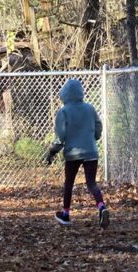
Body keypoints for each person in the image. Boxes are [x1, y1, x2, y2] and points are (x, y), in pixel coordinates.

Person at [47, 79, 110, 229]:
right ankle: (101, 206)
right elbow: (98, 126)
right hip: (91, 151)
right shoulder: (90, 108)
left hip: (73, 153)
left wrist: (52, 152)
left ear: (65, 94)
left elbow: (61, 137)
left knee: (69, 183)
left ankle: (66, 214)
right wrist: (94, 137)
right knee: (91, 183)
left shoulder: (63, 112)